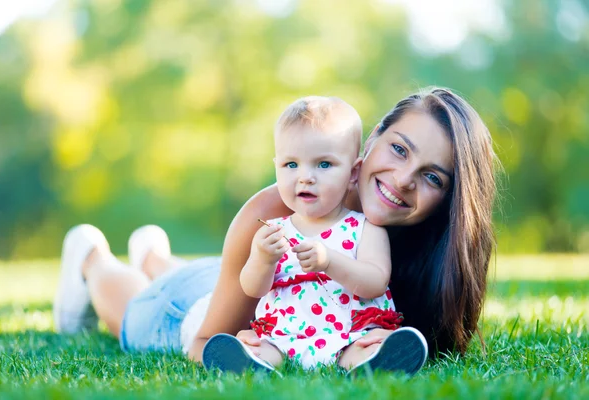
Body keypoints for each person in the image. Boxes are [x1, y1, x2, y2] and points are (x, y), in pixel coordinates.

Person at [53, 87, 497, 375]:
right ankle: (92, 257)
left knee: (191, 275)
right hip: (198, 307)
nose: (403, 180)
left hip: (257, 288)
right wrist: (245, 342)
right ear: (372, 140)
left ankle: (152, 253)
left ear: (451, 201)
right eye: (399, 149)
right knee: (141, 312)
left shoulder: (423, 248)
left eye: (433, 177)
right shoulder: (277, 208)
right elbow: (205, 342)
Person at [201, 96, 417, 374]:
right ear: (276, 166)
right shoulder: (272, 229)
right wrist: (262, 259)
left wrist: (329, 261)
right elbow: (253, 289)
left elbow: (375, 281)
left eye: (323, 164)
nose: (305, 177)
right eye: (291, 165)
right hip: (283, 336)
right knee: (261, 348)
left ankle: (376, 362)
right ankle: (250, 363)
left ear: (353, 173)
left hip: (350, 334)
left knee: (366, 348)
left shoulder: (365, 227)